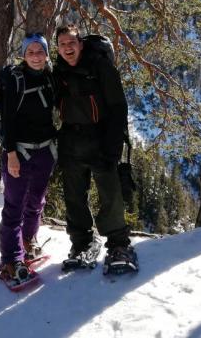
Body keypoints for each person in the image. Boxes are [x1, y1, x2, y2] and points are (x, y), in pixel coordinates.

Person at [53, 24, 136, 269]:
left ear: (81, 44)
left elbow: (118, 107)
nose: (67, 48)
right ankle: (81, 243)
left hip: (101, 138)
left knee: (110, 194)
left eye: (71, 43)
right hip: (71, 140)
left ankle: (119, 245)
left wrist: (113, 145)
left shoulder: (100, 67)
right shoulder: (58, 72)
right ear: (57, 49)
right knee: (74, 196)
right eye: (62, 44)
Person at [0, 33, 57, 282]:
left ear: (47, 54)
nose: (35, 56)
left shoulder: (50, 77)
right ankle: (11, 259)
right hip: (19, 152)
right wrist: (11, 154)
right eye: (30, 52)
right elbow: (7, 121)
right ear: (23, 55)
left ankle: (28, 241)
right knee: (14, 207)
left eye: (40, 51)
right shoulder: (15, 80)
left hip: (45, 151)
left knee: (36, 202)